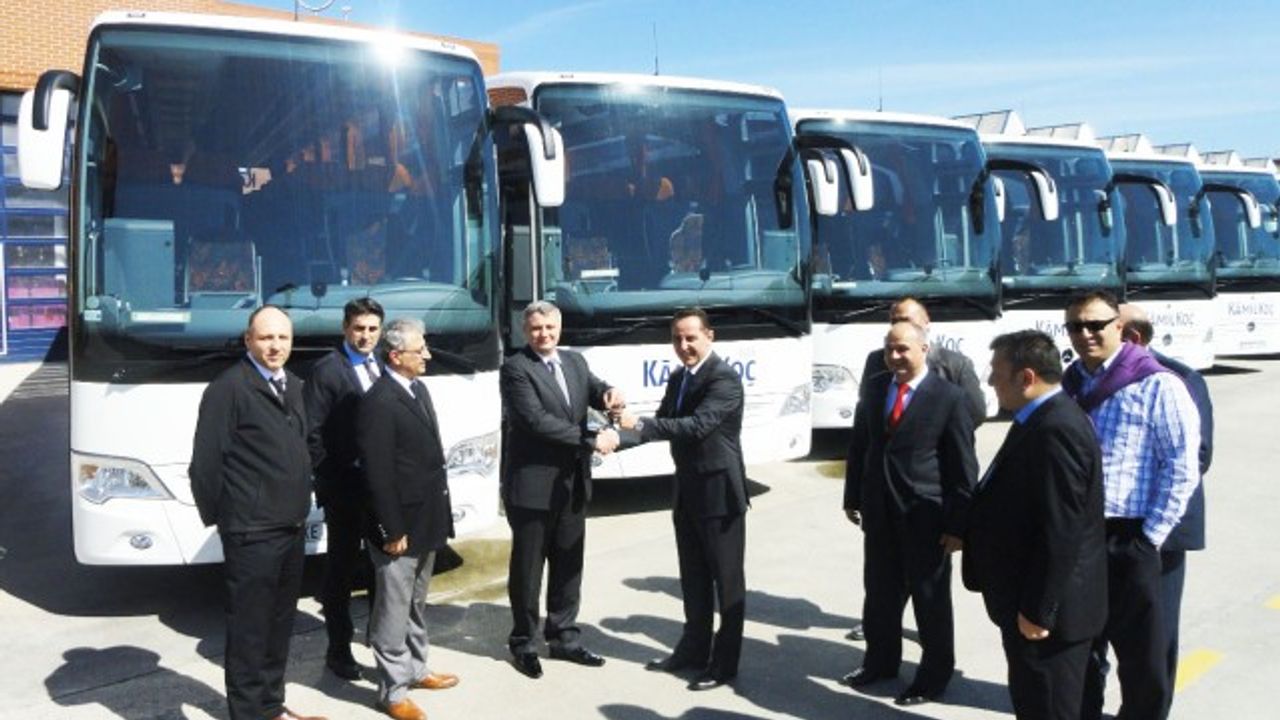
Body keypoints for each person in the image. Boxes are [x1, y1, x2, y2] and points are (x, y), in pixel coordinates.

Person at [1061, 291, 1201, 720]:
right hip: (1080, 537)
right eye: (1075, 326)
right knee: (1081, 647)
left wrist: (1148, 538)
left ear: (1119, 328)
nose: (1085, 334)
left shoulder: (1159, 384)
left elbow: (1181, 467)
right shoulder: (1070, 383)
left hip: (1131, 535)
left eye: (1095, 325)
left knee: (1143, 659)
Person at [189, 305, 325, 720]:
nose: (275, 346)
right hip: (251, 531)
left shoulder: (294, 385)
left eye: (283, 338)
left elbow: (306, 445)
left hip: (290, 526)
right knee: (250, 630)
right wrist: (229, 519)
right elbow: (205, 466)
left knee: (279, 624)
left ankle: (270, 706)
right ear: (248, 340)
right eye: (266, 337)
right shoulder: (228, 389)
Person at [963, 330, 1108, 720]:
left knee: (1047, 707)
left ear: (1026, 377)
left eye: (997, 373)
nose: (990, 381)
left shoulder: (1056, 428)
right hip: (1030, 603)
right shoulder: (1038, 417)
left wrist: (1038, 610)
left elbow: (1062, 530)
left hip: (1048, 618)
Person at [842, 320, 978, 707]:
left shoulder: (949, 397)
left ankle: (933, 677)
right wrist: (852, 496)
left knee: (929, 601)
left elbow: (963, 468)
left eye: (903, 349)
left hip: (926, 517)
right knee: (880, 595)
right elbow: (861, 446)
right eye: (890, 349)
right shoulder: (875, 388)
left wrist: (958, 526)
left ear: (924, 350)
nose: (895, 356)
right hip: (879, 513)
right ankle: (880, 663)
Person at [618, 308, 748, 692]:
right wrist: (612, 439)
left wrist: (640, 423)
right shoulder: (678, 378)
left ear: (710, 336)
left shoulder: (724, 378)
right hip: (688, 491)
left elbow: (696, 426)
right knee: (693, 578)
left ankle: (724, 664)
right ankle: (693, 650)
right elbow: (661, 424)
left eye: (691, 337)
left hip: (720, 494)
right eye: (677, 338)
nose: (684, 345)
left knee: (726, 583)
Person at [500, 301, 623, 679]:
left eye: (550, 327)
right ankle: (524, 642)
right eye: (536, 328)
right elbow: (536, 421)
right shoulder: (515, 368)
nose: (544, 334)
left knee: (569, 565)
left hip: (572, 483)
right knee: (528, 569)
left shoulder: (574, 361)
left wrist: (610, 394)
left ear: (560, 327)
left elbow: (594, 389)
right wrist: (591, 439)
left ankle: (564, 637)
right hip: (532, 487)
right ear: (526, 331)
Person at [357, 318, 459, 720]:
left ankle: (416, 669)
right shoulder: (379, 402)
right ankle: (392, 691)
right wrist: (391, 529)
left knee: (415, 603)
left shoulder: (418, 389)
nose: (428, 355)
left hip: (426, 519)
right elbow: (376, 473)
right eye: (421, 350)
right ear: (396, 356)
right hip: (398, 528)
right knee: (392, 611)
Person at [1118, 302, 1214, 718]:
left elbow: (1197, 456)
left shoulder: (1179, 379)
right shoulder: (1090, 377)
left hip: (1162, 530)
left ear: (1132, 337)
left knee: (1155, 634)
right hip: (1110, 529)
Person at [303, 297, 384, 680]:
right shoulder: (327, 370)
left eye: (372, 329)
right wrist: (331, 477)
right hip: (344, 490)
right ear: (345, 329)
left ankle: (384, 646)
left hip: (381, 489)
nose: (365, 336)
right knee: (341, 570)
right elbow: (312, 433)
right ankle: (339, 651)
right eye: (359, 329)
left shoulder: (384, 362)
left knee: (383, 570)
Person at [858, 297, 987, 426]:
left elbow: (976, 413)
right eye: (894, 321)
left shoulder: (956, 365)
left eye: (905, 320)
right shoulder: (876, 360)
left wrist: (937, 433)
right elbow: (865, 412)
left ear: (926, 323)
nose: (900, 326)